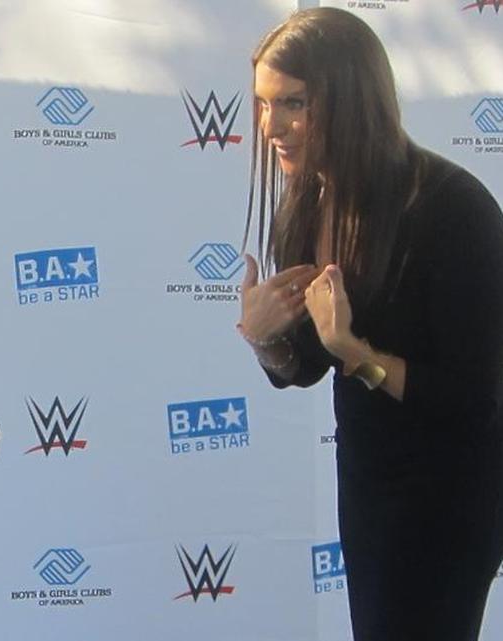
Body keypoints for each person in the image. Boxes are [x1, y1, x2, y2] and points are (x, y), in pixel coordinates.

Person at [238, 8, 503, 640]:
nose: (271, 127)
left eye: (293, 104)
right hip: (370, 483)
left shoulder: (454, 210)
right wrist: (266, 338)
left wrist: (356, 354)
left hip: (456, 491)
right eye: (263, 105)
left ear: (351, 99)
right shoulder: (306, 200)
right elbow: (301, 366)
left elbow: (474, 401)